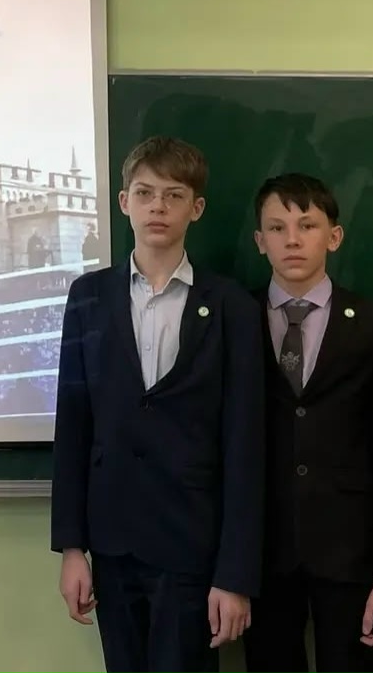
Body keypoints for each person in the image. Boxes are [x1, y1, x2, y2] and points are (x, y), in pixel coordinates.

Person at [49, 136, 265, 673]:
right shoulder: (88, 298)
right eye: (145, 193)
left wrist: (235, 574)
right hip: (112, 542)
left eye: (174, 195)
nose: (158, 207)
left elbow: (244, 444)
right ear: (124, 202)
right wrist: (72, 548)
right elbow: (74, 426)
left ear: (197, 208)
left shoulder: (231, 305)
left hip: (193, 544)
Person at [241, 173, 373, 673]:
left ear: (333, 237)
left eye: (307, 226)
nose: (292, 240)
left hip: (351, 553)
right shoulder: (236, 316)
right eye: (277, 228)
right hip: (262, 550)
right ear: (260, 241)